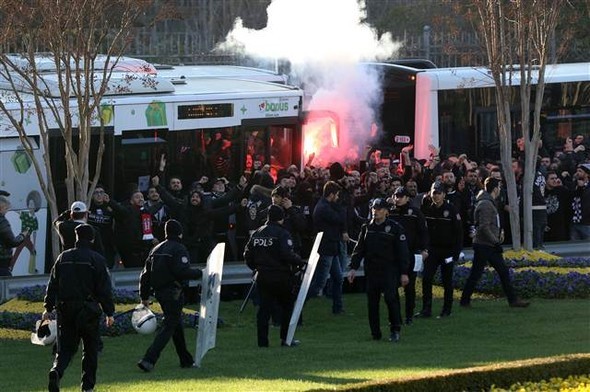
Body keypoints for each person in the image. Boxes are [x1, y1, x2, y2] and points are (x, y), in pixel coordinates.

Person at [43, 224, 115, 392]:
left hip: (65, 308)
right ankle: (87, 387)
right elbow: (104, 289)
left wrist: (48, 307)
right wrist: (109, 311)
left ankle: (57, 371)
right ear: (92, 239)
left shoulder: (63, 257)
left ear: (76, 237)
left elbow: (52, 284)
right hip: (88, 309)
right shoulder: (96, 259)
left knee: (66, 348)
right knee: (90, 349)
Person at [137, 219, 202, 372]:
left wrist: (144, 296)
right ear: (180, 232)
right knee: (169, 326)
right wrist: (200, 273)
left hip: (160, 293)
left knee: (176, 325)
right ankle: (149, 359)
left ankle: (185, 360)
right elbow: (182, 271)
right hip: (174, 292)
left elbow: (145, 275)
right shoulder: (179, 249)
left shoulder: (156, 249)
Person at [460, 177, 530, 308]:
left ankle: (512, 300)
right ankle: (465, 300)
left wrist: (497, 237)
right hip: (485, 245)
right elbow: (484, 227)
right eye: (498, 186)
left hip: (487, 245)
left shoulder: (487, 202)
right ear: (495, 189)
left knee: (497, 272)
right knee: (479, 273)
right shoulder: (486, 204)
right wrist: (495, 241)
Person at [348, 198, 410, 342]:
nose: (375, 211)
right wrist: (353, 268)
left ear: (386, 211)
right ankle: (375, 333)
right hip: (372, 270)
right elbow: (359, 249)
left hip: (389, 269)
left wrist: (404, 272)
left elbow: (402, 252)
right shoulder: (367, 227)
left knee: (390, 298)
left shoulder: (395, 228)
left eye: (379, 209)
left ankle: (395, 329)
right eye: (374, 209)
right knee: (372, 302)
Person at [244, 205, 305, 347]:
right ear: (281, 218)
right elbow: (287, 254)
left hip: (263, 276)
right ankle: (286, 339)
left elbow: (247, 255)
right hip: (281, 276)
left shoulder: (257, 233)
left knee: (264, 310)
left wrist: (256, 268)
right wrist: (300, 262)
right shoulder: (282, 233)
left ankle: (262, 342)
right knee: (287, 306)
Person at [417, 181, 463, 319]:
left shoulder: (451, 209)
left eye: (438, 193)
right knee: (426, 279)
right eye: (434, 193)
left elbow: (459, 232)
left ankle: (446, 310)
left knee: (447, 281)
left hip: (447, 251)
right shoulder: (427, 208)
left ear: (444, 194)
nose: (436, 196)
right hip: (432, 250)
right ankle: (426, 309)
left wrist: (456, 252)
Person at [390, 186, 429, 325]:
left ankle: (409, 316)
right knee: (392, 287)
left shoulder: (415, 213)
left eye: (400, 196)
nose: (397, 199)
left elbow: (423, 232)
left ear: (407, 198)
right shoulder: (390, 212)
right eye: (395, 196)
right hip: (393, 255)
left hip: (411, 253)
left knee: (409, 286)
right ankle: (396, 317)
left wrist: (424, 249)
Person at [308, 181, 346, 314]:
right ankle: (298, 304)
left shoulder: (324, 206)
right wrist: (340, 208)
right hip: (326, 249)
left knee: (338, 278)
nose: (337, 198)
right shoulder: (324, 208)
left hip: (331, 247)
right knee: (319, 284)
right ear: (331, 194)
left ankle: (338, 307)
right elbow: (339, 218)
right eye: (336, 195)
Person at [0, 195, 28, 276]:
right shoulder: (2, 222)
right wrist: (22, 235)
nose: (7, 211)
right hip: (2, 263)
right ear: (1, 209)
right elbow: (12, 242)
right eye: (6, 209)